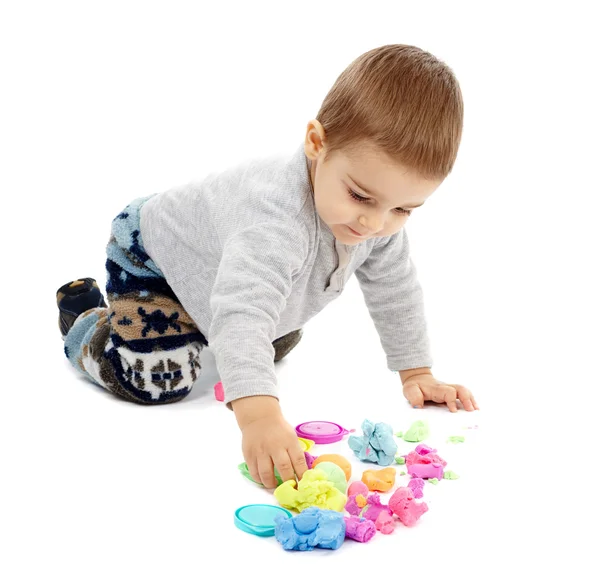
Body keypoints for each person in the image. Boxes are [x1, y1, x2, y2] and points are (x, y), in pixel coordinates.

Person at [56, 44, 478, 490]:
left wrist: (417, 371)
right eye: (360, 196)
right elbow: (243, 313)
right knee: (157, 382)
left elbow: (395, 288)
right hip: (153, 259)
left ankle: (199, 329)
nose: (375, 223)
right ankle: (85, 321)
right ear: (317, 143)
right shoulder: (273, 218)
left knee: (270, 344)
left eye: (404, 209)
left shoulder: (378, 218)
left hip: (221, 274)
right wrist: (258, 417)